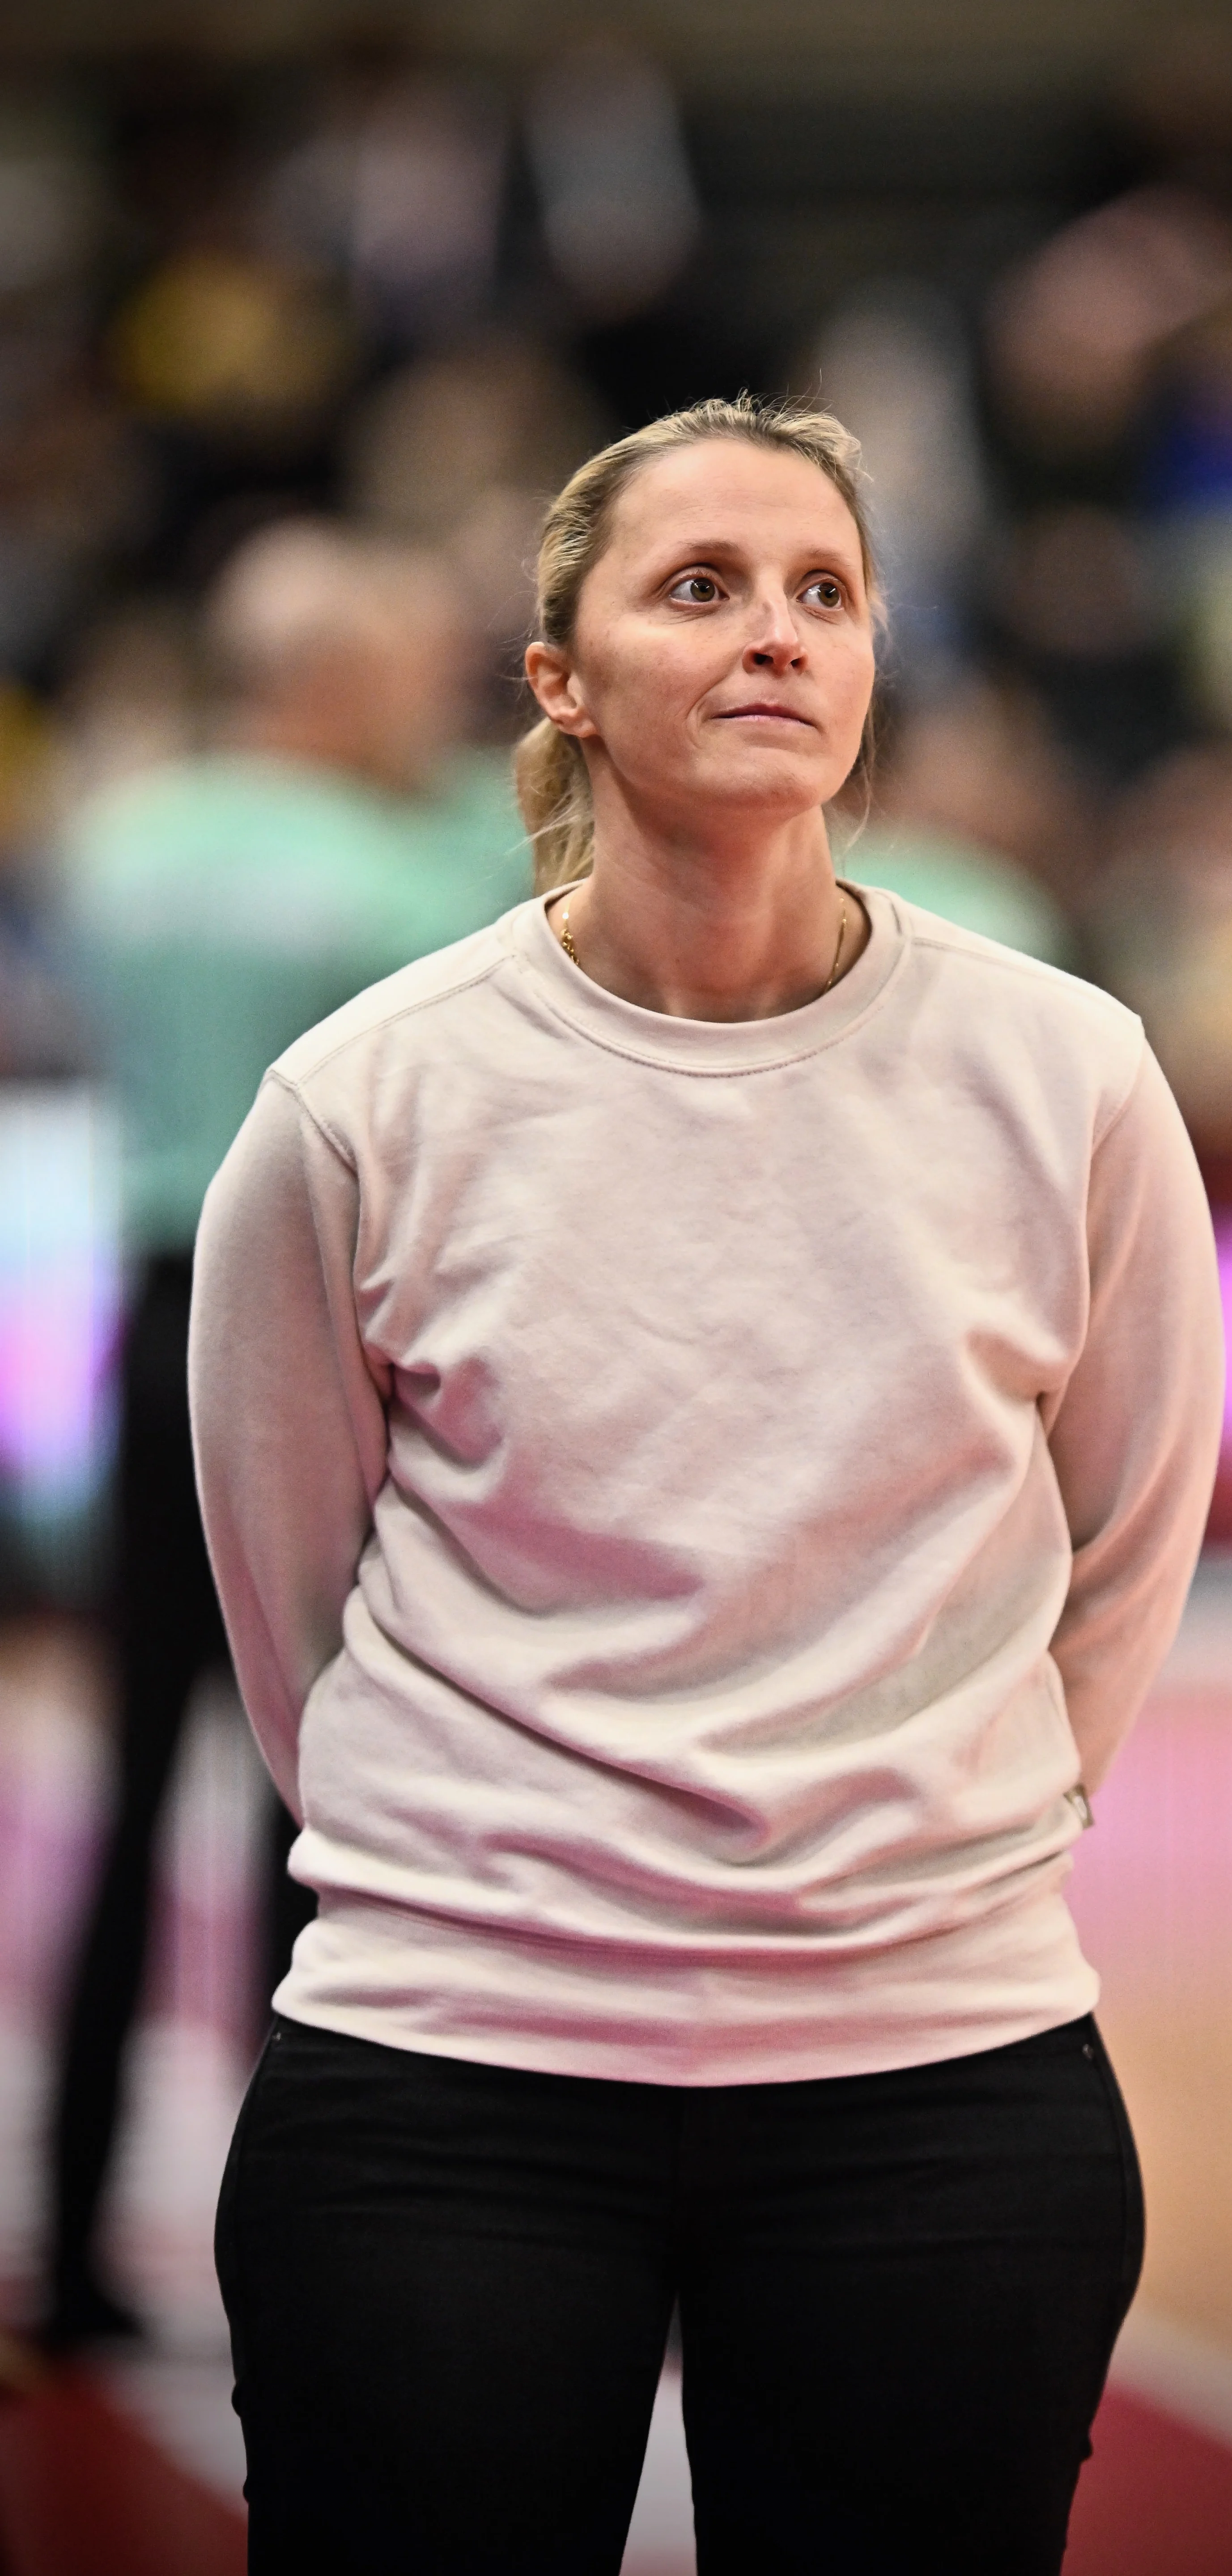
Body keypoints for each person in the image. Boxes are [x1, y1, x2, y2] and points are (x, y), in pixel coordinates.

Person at [191, 397, 1224, 2574]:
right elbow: (293, 1609)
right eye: (702, 588)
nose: (775, 636)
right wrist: (496, 1879)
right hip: (448, 2080)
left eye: (822, 594)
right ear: (559, 678)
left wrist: (929, 1848)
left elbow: (1127, 1547)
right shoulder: (365, 1102)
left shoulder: (1070, 1073)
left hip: (943, 2083)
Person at [40, 519, 529, 2351]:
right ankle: (303, 2244)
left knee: (136, 1786)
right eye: (405, 668)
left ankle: (77, 2242)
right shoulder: (415, 874)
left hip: (148, 1316)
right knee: (319, 1802)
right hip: (323, 1333)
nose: (430, 703)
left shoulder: (122, 841)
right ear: (329, 679)